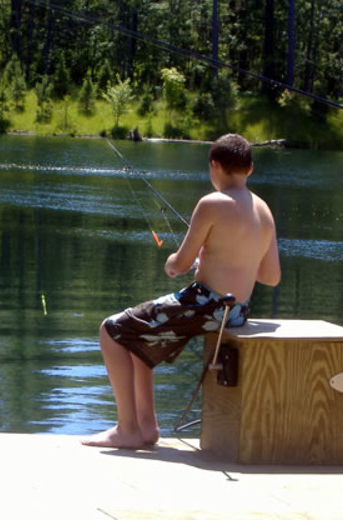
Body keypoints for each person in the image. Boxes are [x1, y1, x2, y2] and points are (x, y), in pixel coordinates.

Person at [82, 133, 281, 449]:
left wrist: (173, 264)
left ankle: (127, 428)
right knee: (137, 334)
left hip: (205, 305)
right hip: (238, 309)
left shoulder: (212, 203)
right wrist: (227, 257)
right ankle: (147, 428)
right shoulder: (264, 209)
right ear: (250, 169)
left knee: (111, 329)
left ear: (214, 165)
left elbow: (181, 263)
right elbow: (271, 276)